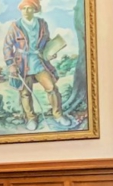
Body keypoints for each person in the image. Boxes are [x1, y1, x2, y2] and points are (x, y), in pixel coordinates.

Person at [4, 0, 72, 130]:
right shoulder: (15, 26)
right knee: (25, 93)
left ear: (35, 10)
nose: (26, 11)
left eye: (29, 8)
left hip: (40, 62)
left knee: (52, 88)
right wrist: (11, 64)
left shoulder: (42, 24)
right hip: (22, 65)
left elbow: (47, 42)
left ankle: (58, 115)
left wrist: (51, 52)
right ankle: (31, 118)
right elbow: (7, 46)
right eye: (24, 8)